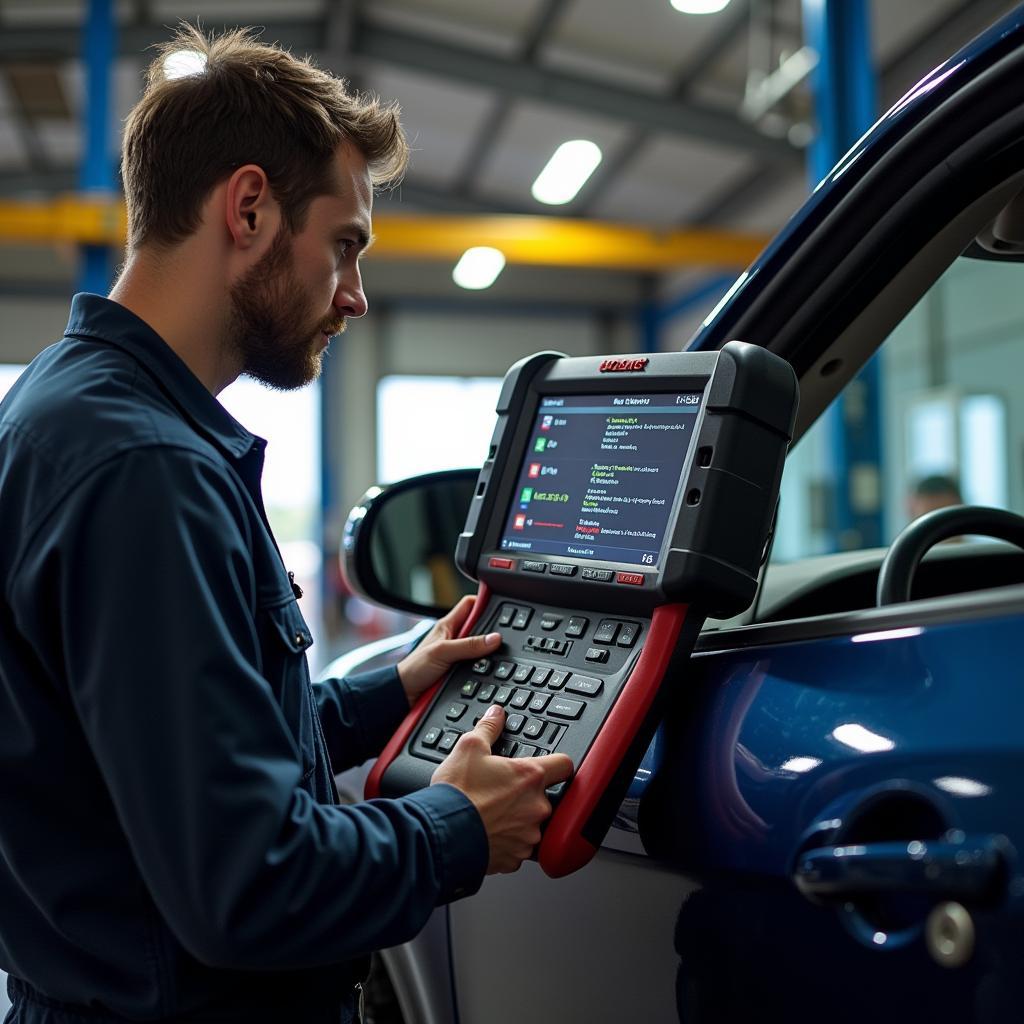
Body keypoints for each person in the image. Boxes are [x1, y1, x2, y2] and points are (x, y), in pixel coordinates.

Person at [0, 25, 572, 1024]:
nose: (353, 295)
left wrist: (380, 693)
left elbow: (156, 754)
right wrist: (457, 825)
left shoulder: (69, 409)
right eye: (344, 245)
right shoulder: (147, 471)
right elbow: (247, 885)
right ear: (250, 206)